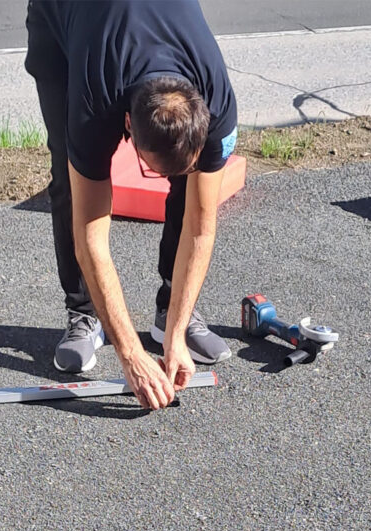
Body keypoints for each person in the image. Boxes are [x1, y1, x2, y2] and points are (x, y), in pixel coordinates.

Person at [25, 0, 238, 410]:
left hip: (135, 27)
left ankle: (171, 311)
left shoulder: (217, 101)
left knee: (192, 189)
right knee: (69, 180)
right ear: (127, 125)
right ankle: (84, 312)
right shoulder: (94, 104)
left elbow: (200, 227)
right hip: (62, 19)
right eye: (152, 170)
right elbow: (91, 238)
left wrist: (176, 334)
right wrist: (132, 357)